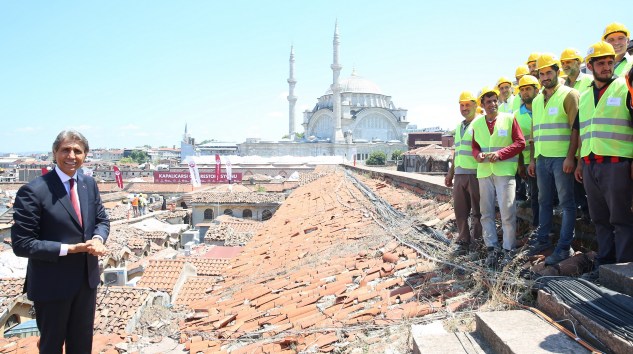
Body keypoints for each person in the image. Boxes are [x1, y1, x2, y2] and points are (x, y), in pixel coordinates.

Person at [11, 130, 110, 353]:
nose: (71, 156)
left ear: (85, 155)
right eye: (66, 149)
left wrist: (97, 238)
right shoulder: (34, 190)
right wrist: (70, 249)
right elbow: (22, 244)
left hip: (86, 282)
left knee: (82, 346)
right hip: (51, 284)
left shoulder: (88, 184)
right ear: (55, 152)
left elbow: (102, 220)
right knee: (51, 346)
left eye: (78, 151)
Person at [575, 41, 633, 281]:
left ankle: (622, 268)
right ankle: (605, 263)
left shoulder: (624, 88)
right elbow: (582, 131)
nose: (607, 67)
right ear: (590, 66)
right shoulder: (585, 95)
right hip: (590, 165)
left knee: (621, 219)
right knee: (599, 218)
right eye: (601, 63)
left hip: (617, 165)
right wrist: (579, 162)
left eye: (610, 62)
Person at [527, 53, 580, 265]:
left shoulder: (569, 94)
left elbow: (576, 129)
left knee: (567, 203)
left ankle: (564, 247)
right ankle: (543, 239)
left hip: (561, 159)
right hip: (542, 159)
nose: (545, 76)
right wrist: (532, 159)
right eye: (542, 73)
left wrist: (571, 157)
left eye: (549, 72)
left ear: (557, 72)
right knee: (543, 201)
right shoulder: (538, 100)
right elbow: (534, 132)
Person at [472, 87, 525, 268]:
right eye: (488, 101)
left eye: (495, 100)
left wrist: (501, 154)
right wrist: (477, 155)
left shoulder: (509, 119)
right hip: (484, 172)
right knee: (486, 213)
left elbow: (520, 143)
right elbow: (475, 146)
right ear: (482, 104)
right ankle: (491, 248)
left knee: (507, 212)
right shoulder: (477, 124)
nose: (493, 104)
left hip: (504, 171)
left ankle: (508, 249)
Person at [445, 91, 483, 256]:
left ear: (475, 105)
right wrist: (450, 173)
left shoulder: (480, 123)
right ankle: (463, 240)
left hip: (475, 173)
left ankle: (478, 242)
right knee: (460, 210)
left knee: (477, 211)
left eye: (468, 105)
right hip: (460, 174)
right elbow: (457, 152)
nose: (464, 108)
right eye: (462, 105)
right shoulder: (459, 127)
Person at [561, 47, 592, 220]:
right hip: (570, 138)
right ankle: (583, 210)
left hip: (585, 135)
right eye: (563, 63)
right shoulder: (563, 86)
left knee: (586, 180)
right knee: (575, 181)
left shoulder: (588, 80)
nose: (566, 65)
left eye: (569, 62)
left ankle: (590, 212)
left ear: (578, 63)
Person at [515, 75, 540, 228]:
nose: (525, 93)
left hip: (546, 156)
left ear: (536, 90)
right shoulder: (517, 115)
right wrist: (520, 165)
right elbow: (516, 142)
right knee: (536, 195)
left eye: (528, 89)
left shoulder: (543, 107)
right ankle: (537, 226)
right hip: (526, 160)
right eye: (522, 90)